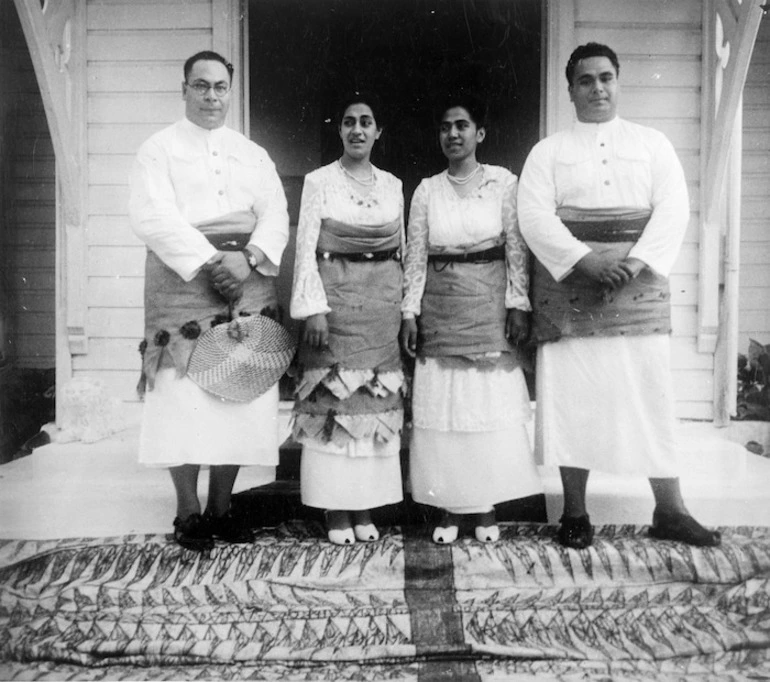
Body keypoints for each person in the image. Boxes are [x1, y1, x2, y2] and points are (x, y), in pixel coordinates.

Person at [517, 42, 720, 549]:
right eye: (585, 80)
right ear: (570, 91)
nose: (597, 88)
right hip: (572, 292)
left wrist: (632, 262)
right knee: (571, 399)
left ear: (618, 81)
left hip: (638, 288)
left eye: (606, 77)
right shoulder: (548, 152)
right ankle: (575, 513)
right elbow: (535, 216)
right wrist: (586, 261)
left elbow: (673, 208)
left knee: (649, 396)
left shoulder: (652, 144)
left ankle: (670, 509)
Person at [129, 51, 290, 552]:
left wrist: (252, 256)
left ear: (230, 91)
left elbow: (276, 210)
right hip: (182, 282)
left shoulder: (251, 152)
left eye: (220, 87)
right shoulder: (157, 150)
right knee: (182, 397)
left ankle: (222, 506)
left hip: (246, 281)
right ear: (184, 90)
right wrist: (208, 260)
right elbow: (151, 215)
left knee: (237, 387)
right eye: (201, 86)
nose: (212, 96)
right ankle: (188, 510)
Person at [400, 95, 542, 545]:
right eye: (445, 127)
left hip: (488, 304)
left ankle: (484, 507)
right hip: (440, 307)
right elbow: (415, 257)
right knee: (446, 408)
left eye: (462, 126)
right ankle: (449, 507)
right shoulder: (426, 189)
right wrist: (410, 310)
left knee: (483, 406)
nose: (453, 134)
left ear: (480, 133)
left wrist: (518, 302)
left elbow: (517, 248)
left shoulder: (503, 183)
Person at [290, 93, 405, 545]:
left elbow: (404, 250)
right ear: (339, 130)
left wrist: (403, 308)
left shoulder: (394, 184)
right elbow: (304, 248)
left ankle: (364, 507)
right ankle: (335, 510)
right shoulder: (319, 181)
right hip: (334, 302)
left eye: (366, 122)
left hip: (380, 308)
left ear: (379, 131)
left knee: (374, 404)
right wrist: (314, 308)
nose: (357, 129)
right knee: (333, 403)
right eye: (349, 122)